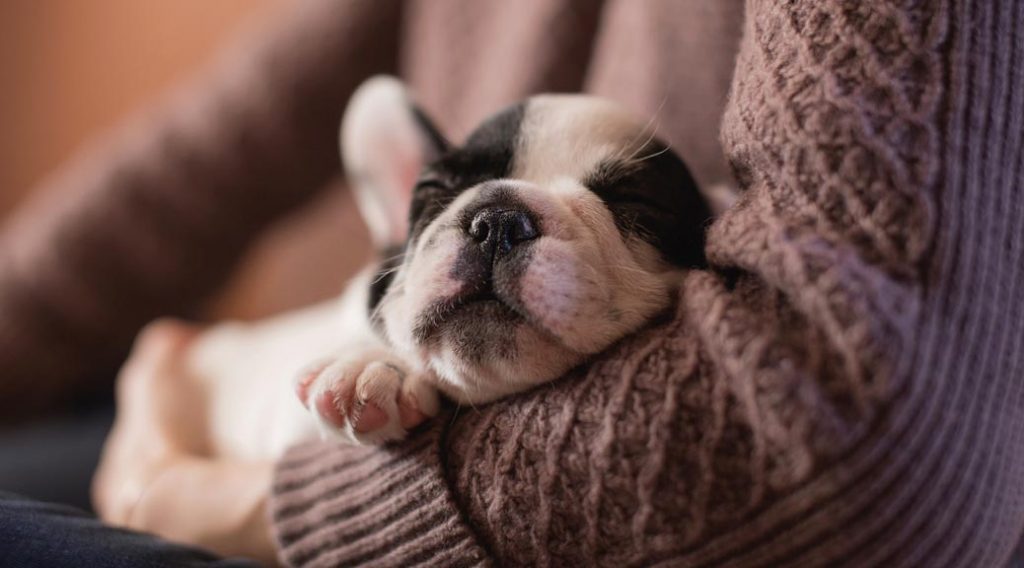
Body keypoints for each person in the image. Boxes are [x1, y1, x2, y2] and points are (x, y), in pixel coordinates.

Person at [1, 0, 1022, 566]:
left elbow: (866, 444)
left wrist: (224, 503)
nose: (500, 225)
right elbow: (188, 170)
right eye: (461, 198)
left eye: (622, 211)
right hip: (234, 415)